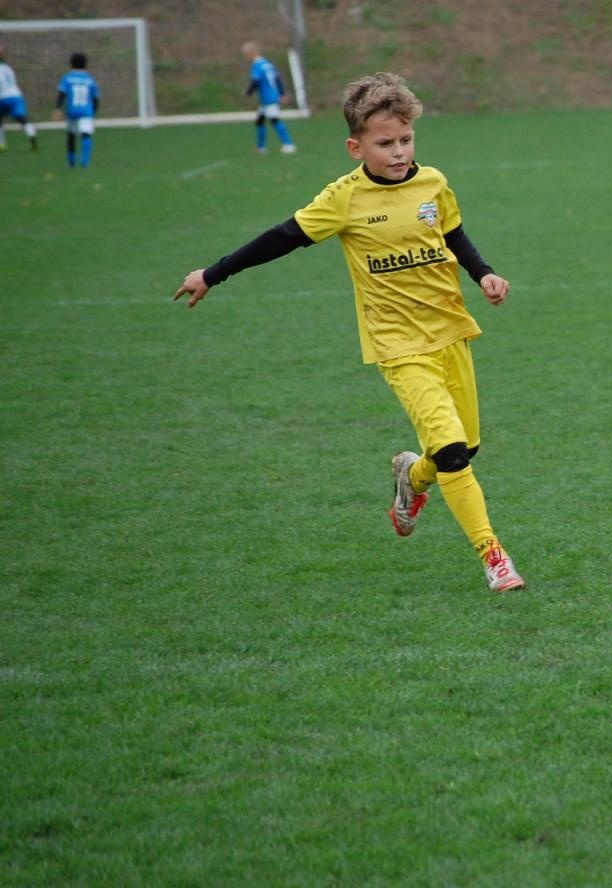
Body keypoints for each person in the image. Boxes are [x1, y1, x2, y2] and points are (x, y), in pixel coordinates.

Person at [173, 72, 527, 594]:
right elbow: (282, 237)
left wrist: (484, 275)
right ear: (355, 147)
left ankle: (413, 478)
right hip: (397, 343)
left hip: (450, 330)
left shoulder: (433, 183)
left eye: (406, 139)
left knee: (464, 449)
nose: (399, 152)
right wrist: (213, 273)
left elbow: (452, 233)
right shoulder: (345, 198)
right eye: (385, 144)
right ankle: (494, 557)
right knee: (452, 451)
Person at [243, 42, 297, 154]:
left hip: (268, 98)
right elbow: (277, 79)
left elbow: (255, 81)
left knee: (274, 120)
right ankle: (261, 147)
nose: (245, 56)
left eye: (245, 54)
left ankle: (289, 144)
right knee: (260, 121)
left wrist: (248, 93)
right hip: (270, 97)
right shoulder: (268, 64)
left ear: (251, 53)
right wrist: (282, 93)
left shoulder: (257, 65)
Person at [54, 52, 99, 168]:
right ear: (86, 64)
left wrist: (58, 108)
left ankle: (71, 161)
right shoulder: (90, 79)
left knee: (71, 136)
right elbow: (95, 98)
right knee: (86, 135)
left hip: (72, 111)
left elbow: (62, 94)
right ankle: (84, 162)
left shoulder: (67, 78)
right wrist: (94, 111)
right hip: (86, 111)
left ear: (71, 64)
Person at [0, 45, 40, 152]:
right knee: (22, 119)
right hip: (16, 96)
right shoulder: (8, 68)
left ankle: (1, 143)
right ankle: (32, 135)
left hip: (2, 98)